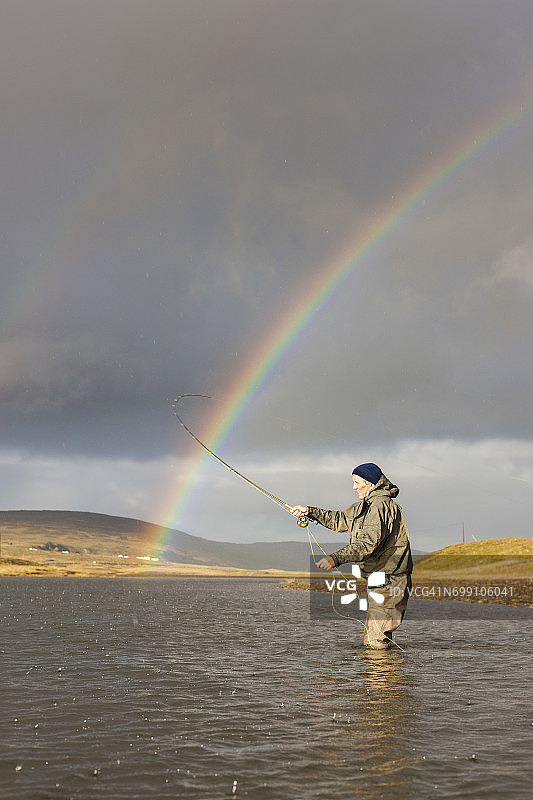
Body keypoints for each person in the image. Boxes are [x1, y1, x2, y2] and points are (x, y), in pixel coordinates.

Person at [290, 462, 412, 649]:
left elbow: (367, 544)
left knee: (375, 641)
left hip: (391, 579)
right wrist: (310, 511)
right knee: (375, 640)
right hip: (381, 579)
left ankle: (382, 676)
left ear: (370, 483)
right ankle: (385, 675)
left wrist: (336, 558)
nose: (354, 487)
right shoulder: (365, 506)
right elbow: (339, 519)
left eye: (357, 482)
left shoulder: (379, 507)